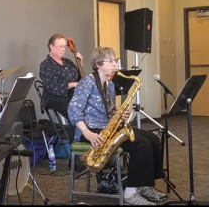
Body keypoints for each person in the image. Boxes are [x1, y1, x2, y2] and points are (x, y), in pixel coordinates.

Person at [68, 46, 167, 205]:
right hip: (90, 129)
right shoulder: (87, 82)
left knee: (153, 139)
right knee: (141, 144)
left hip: (107, 126)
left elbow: (111, 111)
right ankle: (130, 193)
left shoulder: (110, 85)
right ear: (98, 65)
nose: (115, 64)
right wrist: (87, 133)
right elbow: (73, 110)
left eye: (114, 61)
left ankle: (144, 186)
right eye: (110, 61)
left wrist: (120, 116)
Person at [39, 33, 84, 144]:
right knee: (74, 113)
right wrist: (72, 85)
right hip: (54, 98)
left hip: (71, 97)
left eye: (64, 46)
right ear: (51, 47)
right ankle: (74, 154)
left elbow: (80, 79)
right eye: (60, 46)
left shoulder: (68, 62)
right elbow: (52, 87)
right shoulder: (46, 65)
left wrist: (80, 64)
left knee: (88, 110)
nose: (63, 49)